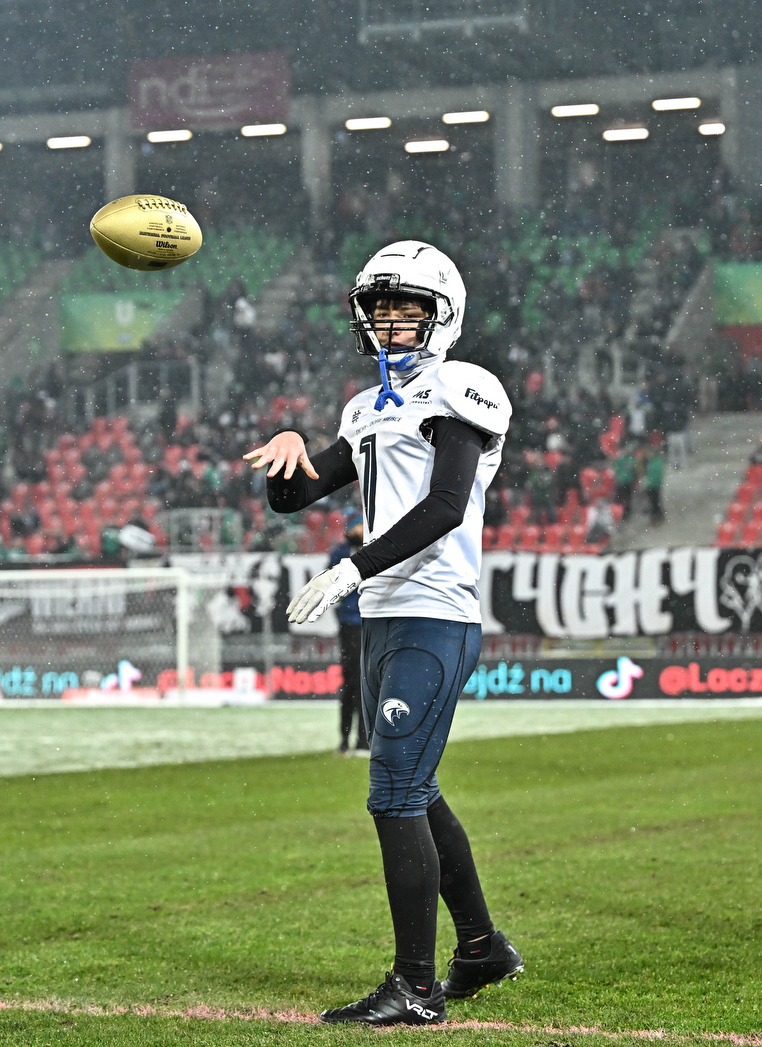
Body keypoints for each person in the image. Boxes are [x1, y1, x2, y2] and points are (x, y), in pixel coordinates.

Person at [242, 241, 523, 1026]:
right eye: (380, 308)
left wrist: (353, 567)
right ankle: (481, 949)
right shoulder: (365, 408)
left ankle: (416, 988)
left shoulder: (462, 387)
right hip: (385, 615)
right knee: (416, 789)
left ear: (443, 314)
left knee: (394, 789)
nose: (392, 322)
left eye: (408, 307)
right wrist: (288, 456)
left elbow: (446, 506)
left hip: (436, 610)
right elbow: (293, 500)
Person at [329, 513, 370, 757]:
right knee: (353, 682)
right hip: (352, 623)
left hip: (367, 621)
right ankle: (346, 740)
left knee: (364, 681)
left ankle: (362, 740)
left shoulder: (373, 548)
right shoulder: (341, 553)